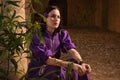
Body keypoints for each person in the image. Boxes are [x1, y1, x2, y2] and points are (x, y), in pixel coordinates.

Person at [26, 5, 91, 80]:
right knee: (58, 70)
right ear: (45, 18)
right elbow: (47, 60)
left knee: (78, 65)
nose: (56, 19)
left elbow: (72, 50)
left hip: (55, 66)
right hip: (39, 69)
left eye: (58, 17)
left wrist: (81, 63)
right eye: (53, 16)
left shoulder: (61, 34)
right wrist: (71, 65)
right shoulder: (37, 36)